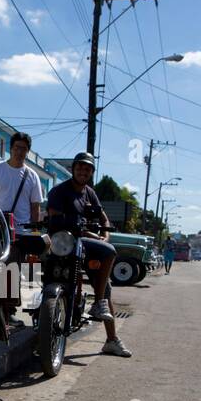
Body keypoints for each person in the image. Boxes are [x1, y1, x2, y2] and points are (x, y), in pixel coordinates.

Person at [47, 152, 131, 357]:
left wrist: (105, 235)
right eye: (80, 167)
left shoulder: (90, 193)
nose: (83, 171)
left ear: (91, 172)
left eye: (87, 169)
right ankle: (46, 323)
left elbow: (104, 219)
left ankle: (110, 337)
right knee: (49, 280)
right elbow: (55, 219)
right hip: (65, 244)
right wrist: (88, 233)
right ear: (73, 169)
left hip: (86, 245)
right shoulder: (60, 191)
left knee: (106, 284)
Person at [0, 132, 43, 231]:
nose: (19, 152)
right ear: (11, 148)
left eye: (23, 149)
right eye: (17, 147)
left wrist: (34, 232)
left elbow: (35, 208)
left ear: (28, 152)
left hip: (23, 232)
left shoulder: (33, 176)